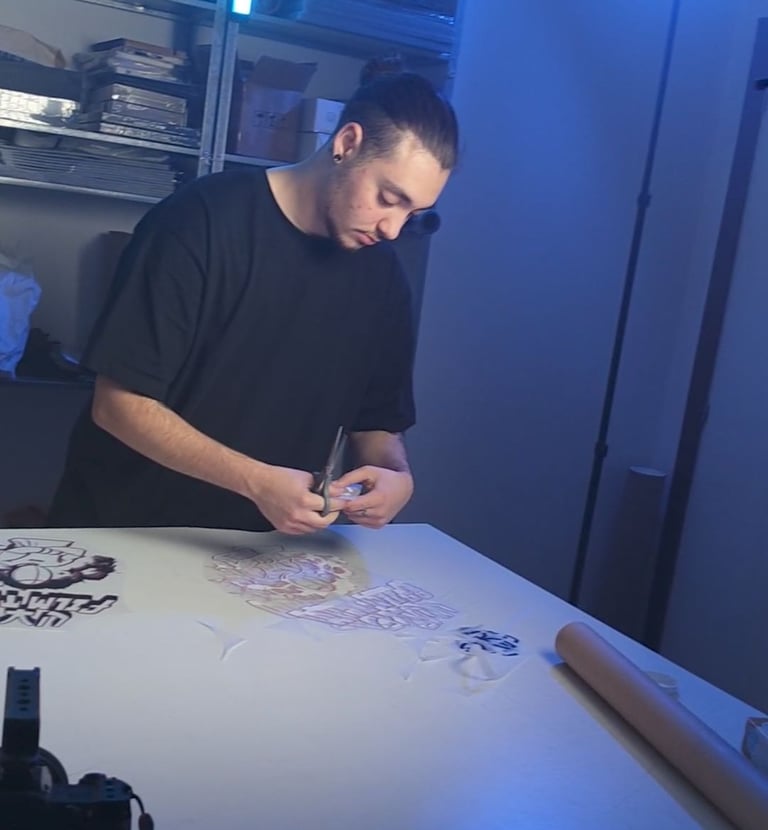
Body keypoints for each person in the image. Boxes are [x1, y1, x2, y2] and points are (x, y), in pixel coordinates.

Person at [47, 59, 459, 535]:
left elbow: (378, 424)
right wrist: (257, 482)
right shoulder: (199, 222)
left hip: (259, 556)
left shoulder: (383, 278)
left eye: (414, 213)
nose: (393, 228)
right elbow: (118, 405)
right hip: (129, 531)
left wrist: (396, 477)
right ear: (348, 144)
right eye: (389, 199)